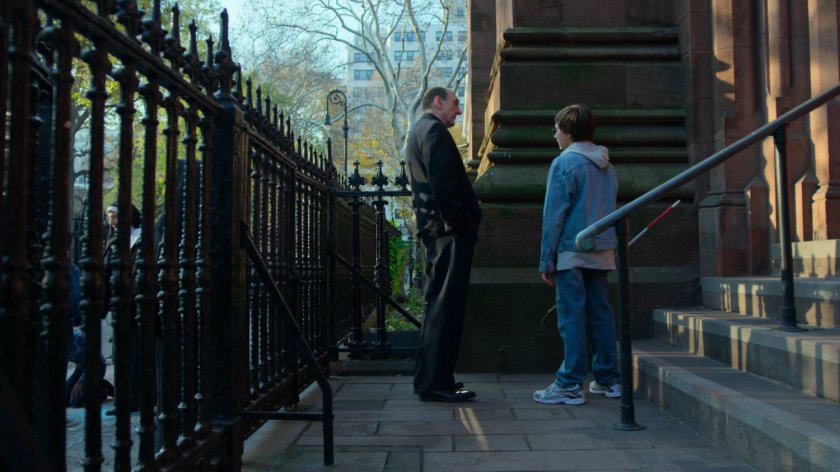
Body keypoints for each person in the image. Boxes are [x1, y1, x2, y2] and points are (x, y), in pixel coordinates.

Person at [533, 104, 621, 405]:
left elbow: (553, 215)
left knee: (571, 316)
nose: (555, 135)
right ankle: (608, 379)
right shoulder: (607, 165)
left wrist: (547, 259)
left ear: (568, 131)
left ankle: (569, 383)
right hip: (602, 248)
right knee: (601, 315)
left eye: (557, 129)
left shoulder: (564, 163)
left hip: (571, 250)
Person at [405, 87, 481, 402]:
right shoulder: (433, 131)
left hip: (439, 232)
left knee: (439, 303)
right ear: (437, 101)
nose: (459, 111)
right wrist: (458, 223)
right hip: (447, 234)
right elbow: (444, 184)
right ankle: (436, 382)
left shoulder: (420, 130)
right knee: (445, 306)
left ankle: (432, 379)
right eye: (455, 103)